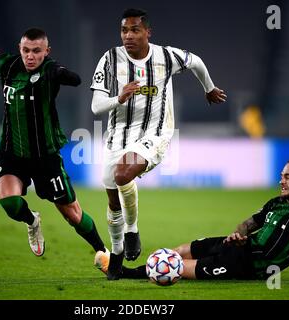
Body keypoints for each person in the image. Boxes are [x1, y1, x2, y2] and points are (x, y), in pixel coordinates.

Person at [0, 27, 108, 260]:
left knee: (72, 214)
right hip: (11, 152)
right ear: (19, 49)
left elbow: (75, 79)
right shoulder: (7, 65)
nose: (30, 56)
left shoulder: (50, 70)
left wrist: (61, 74)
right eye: (26, 50)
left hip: (45, 157)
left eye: (36, 51)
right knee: (9, 203)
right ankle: (32, 220)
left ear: (46, 51)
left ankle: (103, 251)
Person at [90, 8, 227, 280]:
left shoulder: (166, 56)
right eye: (124, 31)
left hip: (155, 133)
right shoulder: (109, 59)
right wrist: (119, 98)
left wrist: (209, 88)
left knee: (122, 174)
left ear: (147, 32)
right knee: (113, 201)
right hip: (117, 136)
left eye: (135, 30)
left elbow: (196, 62)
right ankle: (116, 254)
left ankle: (132, 231)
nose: (128, 36)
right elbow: (96, 108)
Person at [97, 160, 289, 284]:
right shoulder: (276, 203)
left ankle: (125, 274)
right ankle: (125, 270)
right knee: (179, 251)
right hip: (238, 247)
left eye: (288, 177)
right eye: (282, 175)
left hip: (250, 265)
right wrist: (237, 234)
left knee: (177, 267)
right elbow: (248, 224)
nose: (281, 180)